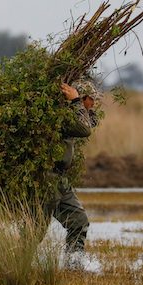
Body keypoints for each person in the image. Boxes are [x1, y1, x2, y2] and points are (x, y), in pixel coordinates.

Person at [48, 79, 99, 270]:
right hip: (46, 178)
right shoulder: (62, 115)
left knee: (78, 221)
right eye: (90, 99)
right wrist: (76, 101)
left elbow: (91, 122)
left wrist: (80, 105)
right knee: (34, 230)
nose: (93, 104)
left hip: (59, 179)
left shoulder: (75, 112)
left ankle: (73, 266)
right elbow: (84, 129)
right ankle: (16, 267)